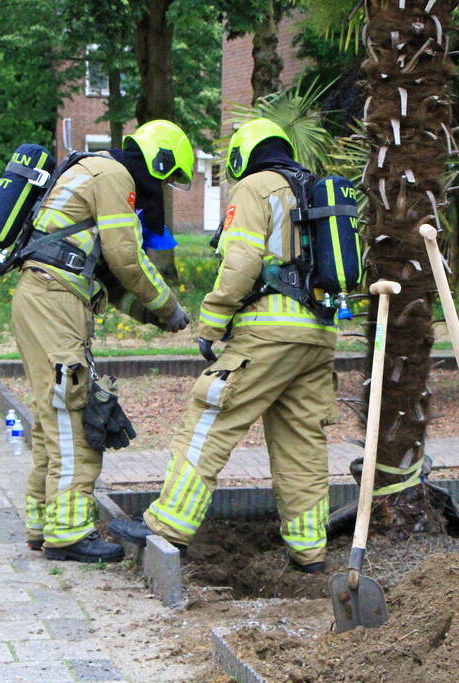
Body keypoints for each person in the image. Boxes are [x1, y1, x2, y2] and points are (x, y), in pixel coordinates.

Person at [110, 118, 337, 573]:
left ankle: (167, 526)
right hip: (318, 337)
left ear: (241, 156)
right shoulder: (315, 191)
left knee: (208, 419)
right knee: (302, 443)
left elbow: (240, 263)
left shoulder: (256, 187)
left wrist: (211, 325)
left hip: (267, 335)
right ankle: (309, 551)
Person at [12, 119, 194, 563]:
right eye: (167, 178)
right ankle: (69, 533)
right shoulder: (113, 176)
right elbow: (127, 259)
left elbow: (111, 281)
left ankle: (43, 524)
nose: (161, 191)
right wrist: (170, 307)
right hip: (56, 301)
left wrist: (156, 318)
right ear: (159, 161)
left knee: (51, 418)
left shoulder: (94, 169)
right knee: (75, 419)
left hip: (42, 295)